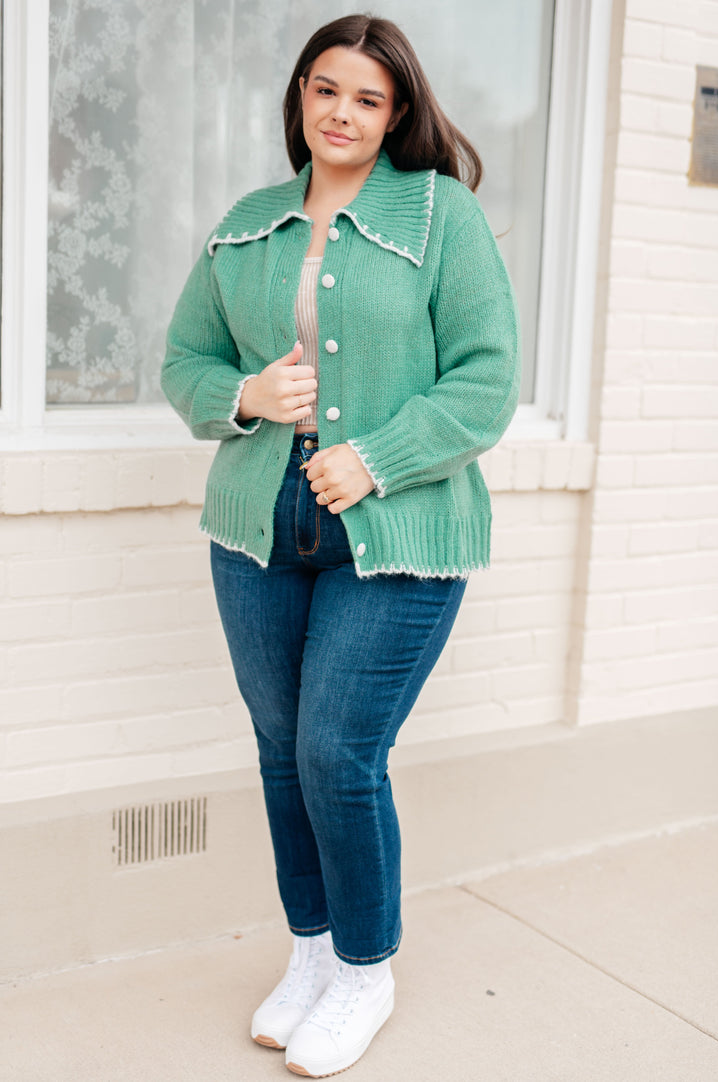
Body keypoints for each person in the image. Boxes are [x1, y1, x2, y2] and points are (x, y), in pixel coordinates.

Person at [162, 13, 520, 1077]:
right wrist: (245, 395)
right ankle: (311, 954)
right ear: (300, 97)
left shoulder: (443, 215)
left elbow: (487, 378)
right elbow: (184, 360)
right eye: (326, 89)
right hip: (257, 524)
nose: (343, 113)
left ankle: (366, 968)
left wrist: (375, 457)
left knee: (337, 753)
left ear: (396, 113)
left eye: (368, 98)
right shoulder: (248, 224)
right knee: (281, 750)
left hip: (397, 530)